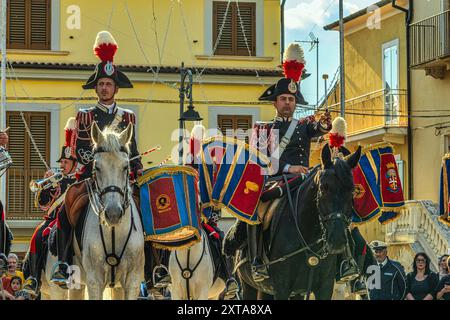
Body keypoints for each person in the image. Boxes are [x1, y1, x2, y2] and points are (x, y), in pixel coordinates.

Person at [51, 31, 143, 287]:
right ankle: (64, 262)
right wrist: (96, 160)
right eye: (101, 84)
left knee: (147, 205)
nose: (104, 88)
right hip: (93, 176)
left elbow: (132, 150)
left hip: (121, 176)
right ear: (96, 87)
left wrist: (137, 168)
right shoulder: (84, 116)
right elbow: (80, 148)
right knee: (65, 207)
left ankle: (156, 266)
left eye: (108, 84)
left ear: (115, 88)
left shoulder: (128, 117)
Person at [248, 43, 333, 282]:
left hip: (304, 180)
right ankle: (257, 261)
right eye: (283, 99)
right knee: (256, 209)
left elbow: (318, 129)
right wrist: (288, 168)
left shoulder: (303, 126)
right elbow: (263, 163)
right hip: (276, 181)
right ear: (275, 103)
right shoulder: (263, 129)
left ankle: (344, 261)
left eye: (291, 99)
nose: (288, 103)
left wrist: (325, 124)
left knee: (334, 205)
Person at [23, 118, 78, 296]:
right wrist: (46, 186)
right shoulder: (55, 180)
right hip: (53, 220)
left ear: (74, 164)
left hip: (75, 219)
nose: (61, 165)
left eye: (65, 162)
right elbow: (43, 204)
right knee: (37, 235)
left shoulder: (81, 181)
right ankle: (34, 278)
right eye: (61, 162)